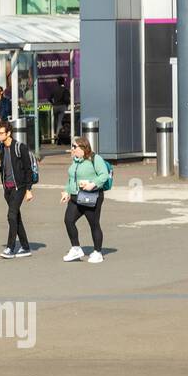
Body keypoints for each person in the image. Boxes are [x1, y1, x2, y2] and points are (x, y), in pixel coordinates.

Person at [60, 136, 112, 264]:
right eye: (71, 146)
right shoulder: (75, 161)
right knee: (68, 220)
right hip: (75, 197)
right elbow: (71, 178)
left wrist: (92, 184)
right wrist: (67, 191)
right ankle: (76, 248)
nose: (72, 149)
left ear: (83, 147)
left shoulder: (95, 159)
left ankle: (97, 252)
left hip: (92, 195)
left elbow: (104, 175)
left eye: (74, 147)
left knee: (94, 224)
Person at [0, 119, 34, 259]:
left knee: (11, 216)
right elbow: (4, 167)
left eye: (1, 133)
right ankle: (26, 247)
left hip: (18, 187)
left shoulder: (20, 147)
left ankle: (10, 247)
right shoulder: (0, 147)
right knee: (16, 217)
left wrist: (28, 189)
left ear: (9, 133)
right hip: (7, 188)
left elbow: (28, 170)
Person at [48, 76, 72, 145]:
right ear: (63, 81)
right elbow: (67, 99)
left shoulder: (54, 89)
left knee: (57, 122)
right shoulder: (65, 89)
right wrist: (68, 104)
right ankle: (59, 137)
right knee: (60, 122)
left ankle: (57, 135)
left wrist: (53, 103)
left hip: (55, 107)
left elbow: (49, 98)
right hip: (62, 107)